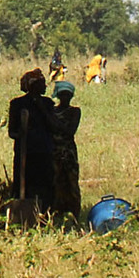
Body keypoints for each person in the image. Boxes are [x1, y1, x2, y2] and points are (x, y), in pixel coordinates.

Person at [7, 68, 56, 214]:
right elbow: (12, 132)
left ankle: (45, 214)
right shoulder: (17, 104)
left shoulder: (47, 104)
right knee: (24, 184)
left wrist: (41, 108)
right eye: (41, 83)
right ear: (32, 86)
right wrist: (21, 133)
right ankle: (22, 215)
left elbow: (53, 126)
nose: (45, 86)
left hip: (44, 150)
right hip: (26, 152)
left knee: (45, 185)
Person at [49, 80, 82, 220]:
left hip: (68, 152)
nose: (65, 97)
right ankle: (57, 212)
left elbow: (70, 131)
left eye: (68, 94)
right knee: (56, 182)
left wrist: (51, 119)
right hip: (54, 151)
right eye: (63, 94)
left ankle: (75, 213)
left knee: (72, 182)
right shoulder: (51, 111)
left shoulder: (74, 111)